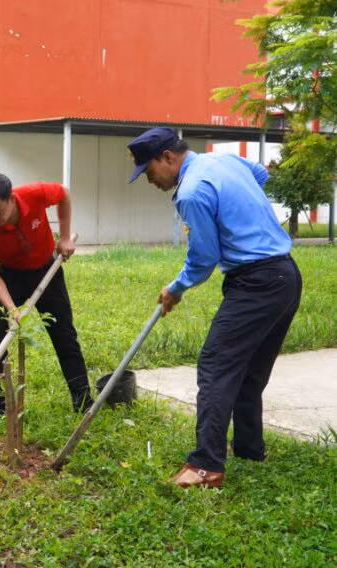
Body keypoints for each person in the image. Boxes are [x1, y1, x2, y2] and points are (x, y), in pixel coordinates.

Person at [127, 127, 302, 489]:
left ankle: (206, 466)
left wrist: (176, 289)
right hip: (286, 276)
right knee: (250, 372)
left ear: (167, 158)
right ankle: (250, 449)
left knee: (216, 366)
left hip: (256, 283)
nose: (149, 180)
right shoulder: (220, 160)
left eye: (148, 171)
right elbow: (260, 175)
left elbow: (204, 258)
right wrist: (243, 210)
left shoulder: (190, 192)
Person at [0, 172, 93, 414]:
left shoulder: (35, 193)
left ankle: (83, 401)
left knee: (64, 334)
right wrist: (11, 308)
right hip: (10, 277)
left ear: (11, 199)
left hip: (47, 270)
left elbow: (64, 194)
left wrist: (65, 237)